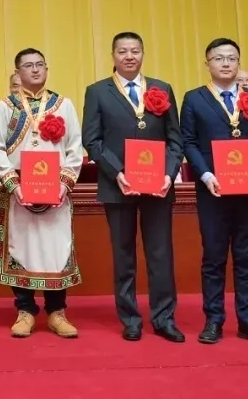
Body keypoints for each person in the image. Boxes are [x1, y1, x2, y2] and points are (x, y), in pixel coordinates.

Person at [81, 32, 185, 342]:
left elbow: (175, 139)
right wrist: (118, 172)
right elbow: (92, 140)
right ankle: (130, 318)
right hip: (118, 186)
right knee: (123, 255)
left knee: (160, 254)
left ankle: (164, 318)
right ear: (113, 55)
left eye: (135, 50)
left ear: (143, 54)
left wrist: (168, 174)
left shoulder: (161, 88)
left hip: (158, 187)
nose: (129, 56)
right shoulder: (97, 92)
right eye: (123, 51)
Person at [180, 38, 248, 346]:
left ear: (238, 63)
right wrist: (205, 174)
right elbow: (188, 141)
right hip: (213, 191)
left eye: (232, 58)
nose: (226, 63)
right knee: (213, 257)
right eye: (219, 58)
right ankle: (214, 320)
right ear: (207, 64)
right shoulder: (194, 99)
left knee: (247, 257)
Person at [0, 48, 82, 338]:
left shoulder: (63, 105)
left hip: (56, 192)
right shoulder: (5, 106)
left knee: (56, 249)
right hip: (20, 193)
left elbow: (74, 148)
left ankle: (57, 312)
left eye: (40, 64)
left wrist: (63, 185)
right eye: (28, 65)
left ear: (46, 68)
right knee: (22, 248)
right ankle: (25, 311)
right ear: (17, 72)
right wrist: (13, 185)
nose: (35, 70)